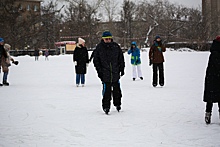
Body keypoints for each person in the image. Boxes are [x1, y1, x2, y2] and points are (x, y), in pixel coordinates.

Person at [93, 30, 125, 114]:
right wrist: (100, 72)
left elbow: (121, 58)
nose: (107, 40)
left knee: (117, 91)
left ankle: (118, 104)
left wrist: (121, 69)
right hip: (105, 74)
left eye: (109, 39)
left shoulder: (116, 47)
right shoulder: (99, 48)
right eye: (106, 39)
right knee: (106, 92)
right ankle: (106, 107)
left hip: (115, 73)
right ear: (103, 39)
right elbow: (96, 61)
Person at [203, 35, 220, 124]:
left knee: (211, 98)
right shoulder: (215, 53)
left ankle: (208, 114)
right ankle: (208, 115)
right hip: (214, 78)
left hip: (212, 78)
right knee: (211, 98)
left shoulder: (214, 51)